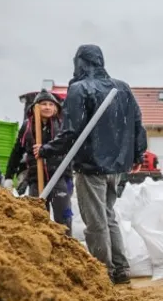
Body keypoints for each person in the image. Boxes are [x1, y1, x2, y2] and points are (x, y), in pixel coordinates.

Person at [38, 44, 147, 285]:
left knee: (96, 221)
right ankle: (121, 269)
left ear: (79, 63)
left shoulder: (79, 89)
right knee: (108, 216)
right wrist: (138, 154)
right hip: (118, 166)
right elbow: (138, 123)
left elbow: (70, 131)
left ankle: (103, 273)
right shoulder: (122, 87)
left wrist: (46, 149)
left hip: (91, 166)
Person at [4, 89, 73, 233]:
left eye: (51, 104)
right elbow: (17, 152)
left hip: (59, 178)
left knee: (64, 218)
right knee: (38, 217)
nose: (47, 107)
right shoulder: (27, 127)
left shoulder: (62, 126)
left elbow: (67, 147)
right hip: (36, 178)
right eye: (43, 104)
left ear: (56, 108)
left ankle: (66, 247)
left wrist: (46, 149)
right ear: (36, 107)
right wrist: (9, 176)